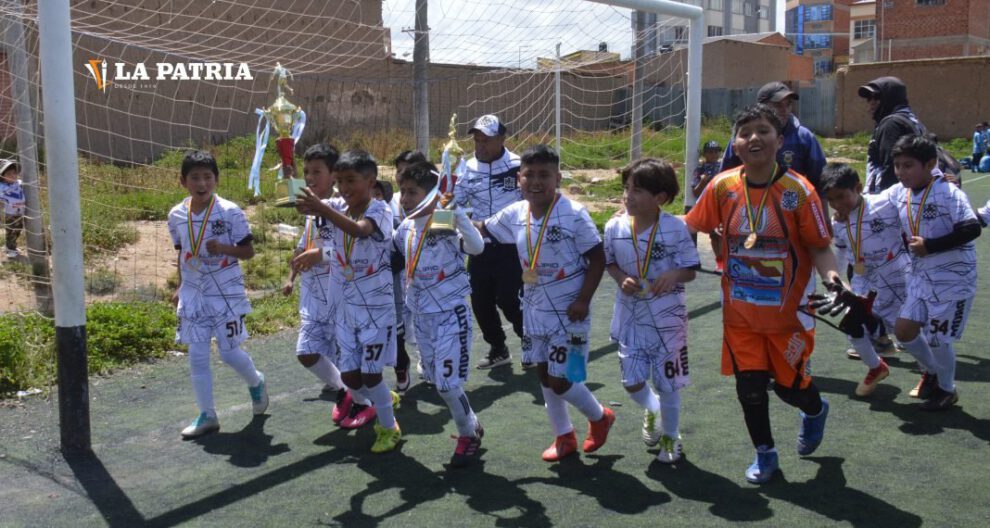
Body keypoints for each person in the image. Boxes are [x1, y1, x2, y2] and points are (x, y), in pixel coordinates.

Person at [685, 105, 839, 484]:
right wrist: (676, 259)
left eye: (763, 130)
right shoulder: (721, 186)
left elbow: (820, 246)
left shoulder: (799, 191)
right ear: (735, 145)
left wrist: (835, 281)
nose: (754, 137)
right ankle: (765, 454)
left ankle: (814, 409)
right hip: (740, 316)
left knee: (790, 389)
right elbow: (690, 225)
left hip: (789, 317)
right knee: (750, 388)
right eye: (745, 132)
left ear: (779, 141)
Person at [480, 145, 615, 462]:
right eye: (529, 175)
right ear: (519, 179)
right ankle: (563, 435)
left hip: (569, 312)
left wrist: (583, 299)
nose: (536, 181)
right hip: (534, 309)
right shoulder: (515, 213)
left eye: (544, 175)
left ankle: (599, 417)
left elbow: (597, 258)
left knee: (561, 379)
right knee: (543, 375)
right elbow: (482, 228)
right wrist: (450, 219)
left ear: (558, 178)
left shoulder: (574, 214)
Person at [295, 150, 402, 453]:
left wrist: (321, 207)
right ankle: (383, 397)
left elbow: (359, 230)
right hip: (345, 307)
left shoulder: (380, 209)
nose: (343, 188)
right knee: (351, 378)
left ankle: (389, 427)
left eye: (351, 180)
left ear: (371, 181)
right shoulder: (336, 205)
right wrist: (294, 182)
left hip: (376, 309)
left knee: (371, 374)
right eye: (339, 181)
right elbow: (306, 203)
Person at [167, 151, 268, 439]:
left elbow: (248, 252)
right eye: (195, 178)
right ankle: (207, 415)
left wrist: (223, 249)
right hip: (193, 293)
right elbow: (183, 253)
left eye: (207, 177)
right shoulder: (176, 215)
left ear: (216, 180)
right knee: (197, 355)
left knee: (229, 353)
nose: (202, 183)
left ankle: (256, 381)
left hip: (226, 292)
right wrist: (180, 285)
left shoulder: (230, 211)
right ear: (183, 181)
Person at [604, 158, 699, 464]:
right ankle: (653, 408)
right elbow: (610, 263)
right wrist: (621, 277)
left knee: (668, 383)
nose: (627, 196)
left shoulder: (676, 228)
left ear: (660, 197)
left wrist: (674, 275)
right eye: (626, 188)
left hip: (668, 320)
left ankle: (671, 438)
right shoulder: (614, 226)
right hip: (630, 317)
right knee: (631, 382)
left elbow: (690, 269)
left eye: (637, 190)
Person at [394, 160, 486, 467]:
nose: (405, 199)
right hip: (421, 317)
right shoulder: (405, 229)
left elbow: (476, 248)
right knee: (437, 381)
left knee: (448, 384)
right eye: (402, 191)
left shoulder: (445, 224)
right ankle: (472, 423)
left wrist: (458, 215)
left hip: (450, 313)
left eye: (412, 192)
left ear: (433, 194)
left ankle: (468, 433)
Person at [884, 135, 980, 411]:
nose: (900, 172)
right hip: (921, 276)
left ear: (930, 165)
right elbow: (871, 205)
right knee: (904, 330)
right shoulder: (898, 192)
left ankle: (947, 390)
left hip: (953, 280)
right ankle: (933, 371)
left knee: (938, 339)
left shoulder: (949, 193)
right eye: (897, 165)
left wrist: (931, 246)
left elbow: (971, 228)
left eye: (908, 166)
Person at [821, 163, 908, 397]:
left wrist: (940, 176)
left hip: (896, 277)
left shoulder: (884, 203)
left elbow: (910, 185)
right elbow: (841, 252)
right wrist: (836, 280)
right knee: (851, 324)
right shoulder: (837, 222)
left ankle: (931, 372)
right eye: (831, 200)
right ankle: (876, 367)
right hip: (862, 280)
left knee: (907, 331)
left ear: (858, 188)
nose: (837, 204)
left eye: (842, 196)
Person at [281, 144, 351, 415]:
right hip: (313, 295)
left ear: (334, 175)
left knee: (348, 357)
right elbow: (303, 247)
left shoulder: (344, 208)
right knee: (305, 352)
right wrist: (291, 276)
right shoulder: (312, 214)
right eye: (307, 172)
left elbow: (354, 250)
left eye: (316, 172)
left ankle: (356, 396)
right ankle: (344, 388)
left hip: (340, 295)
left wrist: (320, 255)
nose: (309, 178)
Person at [454, 114, 526, 369]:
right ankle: (498, 348)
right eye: (477, 140)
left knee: (509, 299)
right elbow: (455, 202)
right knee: (480, 301)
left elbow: (531, 201)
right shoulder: (465, 168)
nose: (480, 145)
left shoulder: (518, 165)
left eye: (486, 140)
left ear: (502, 138)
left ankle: (530, 340)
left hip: (512, 245)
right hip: (479, 245)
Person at [720, 81, 826, 194]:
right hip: (748, 201)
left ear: (780, 141)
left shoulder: (804, 138)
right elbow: (725, 178)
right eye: (778, 105)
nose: (785, 110)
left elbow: (820, 182)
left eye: (788, 104)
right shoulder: (743, 138)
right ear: (762, 107)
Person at [374, 179, 413, 393]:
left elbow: (400, 257)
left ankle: (401, 366)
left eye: (377, 195)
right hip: (359, 291)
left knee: (394, 332)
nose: (373, 199)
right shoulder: (349, 220)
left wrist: (382, 266)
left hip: (390, 288)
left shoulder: (394, 223)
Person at [858, 76, 927, 193]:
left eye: (877, 97)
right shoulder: (909, 118)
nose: (872, 102)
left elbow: (890, 168)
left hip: (891, 197)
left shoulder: (891, 125)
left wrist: (884, 199)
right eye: (869, 98)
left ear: (891, 98)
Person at [0, 159, 25, 259]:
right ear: (2, 177)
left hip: (20, 212)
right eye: (9, 174)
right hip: (10, 214)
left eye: (14, 173)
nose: (13, 176)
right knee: (11, 231)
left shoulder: (18, 183)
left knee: (18, 230)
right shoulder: (2, 187)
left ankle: (10, 246)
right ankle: (10, 249)